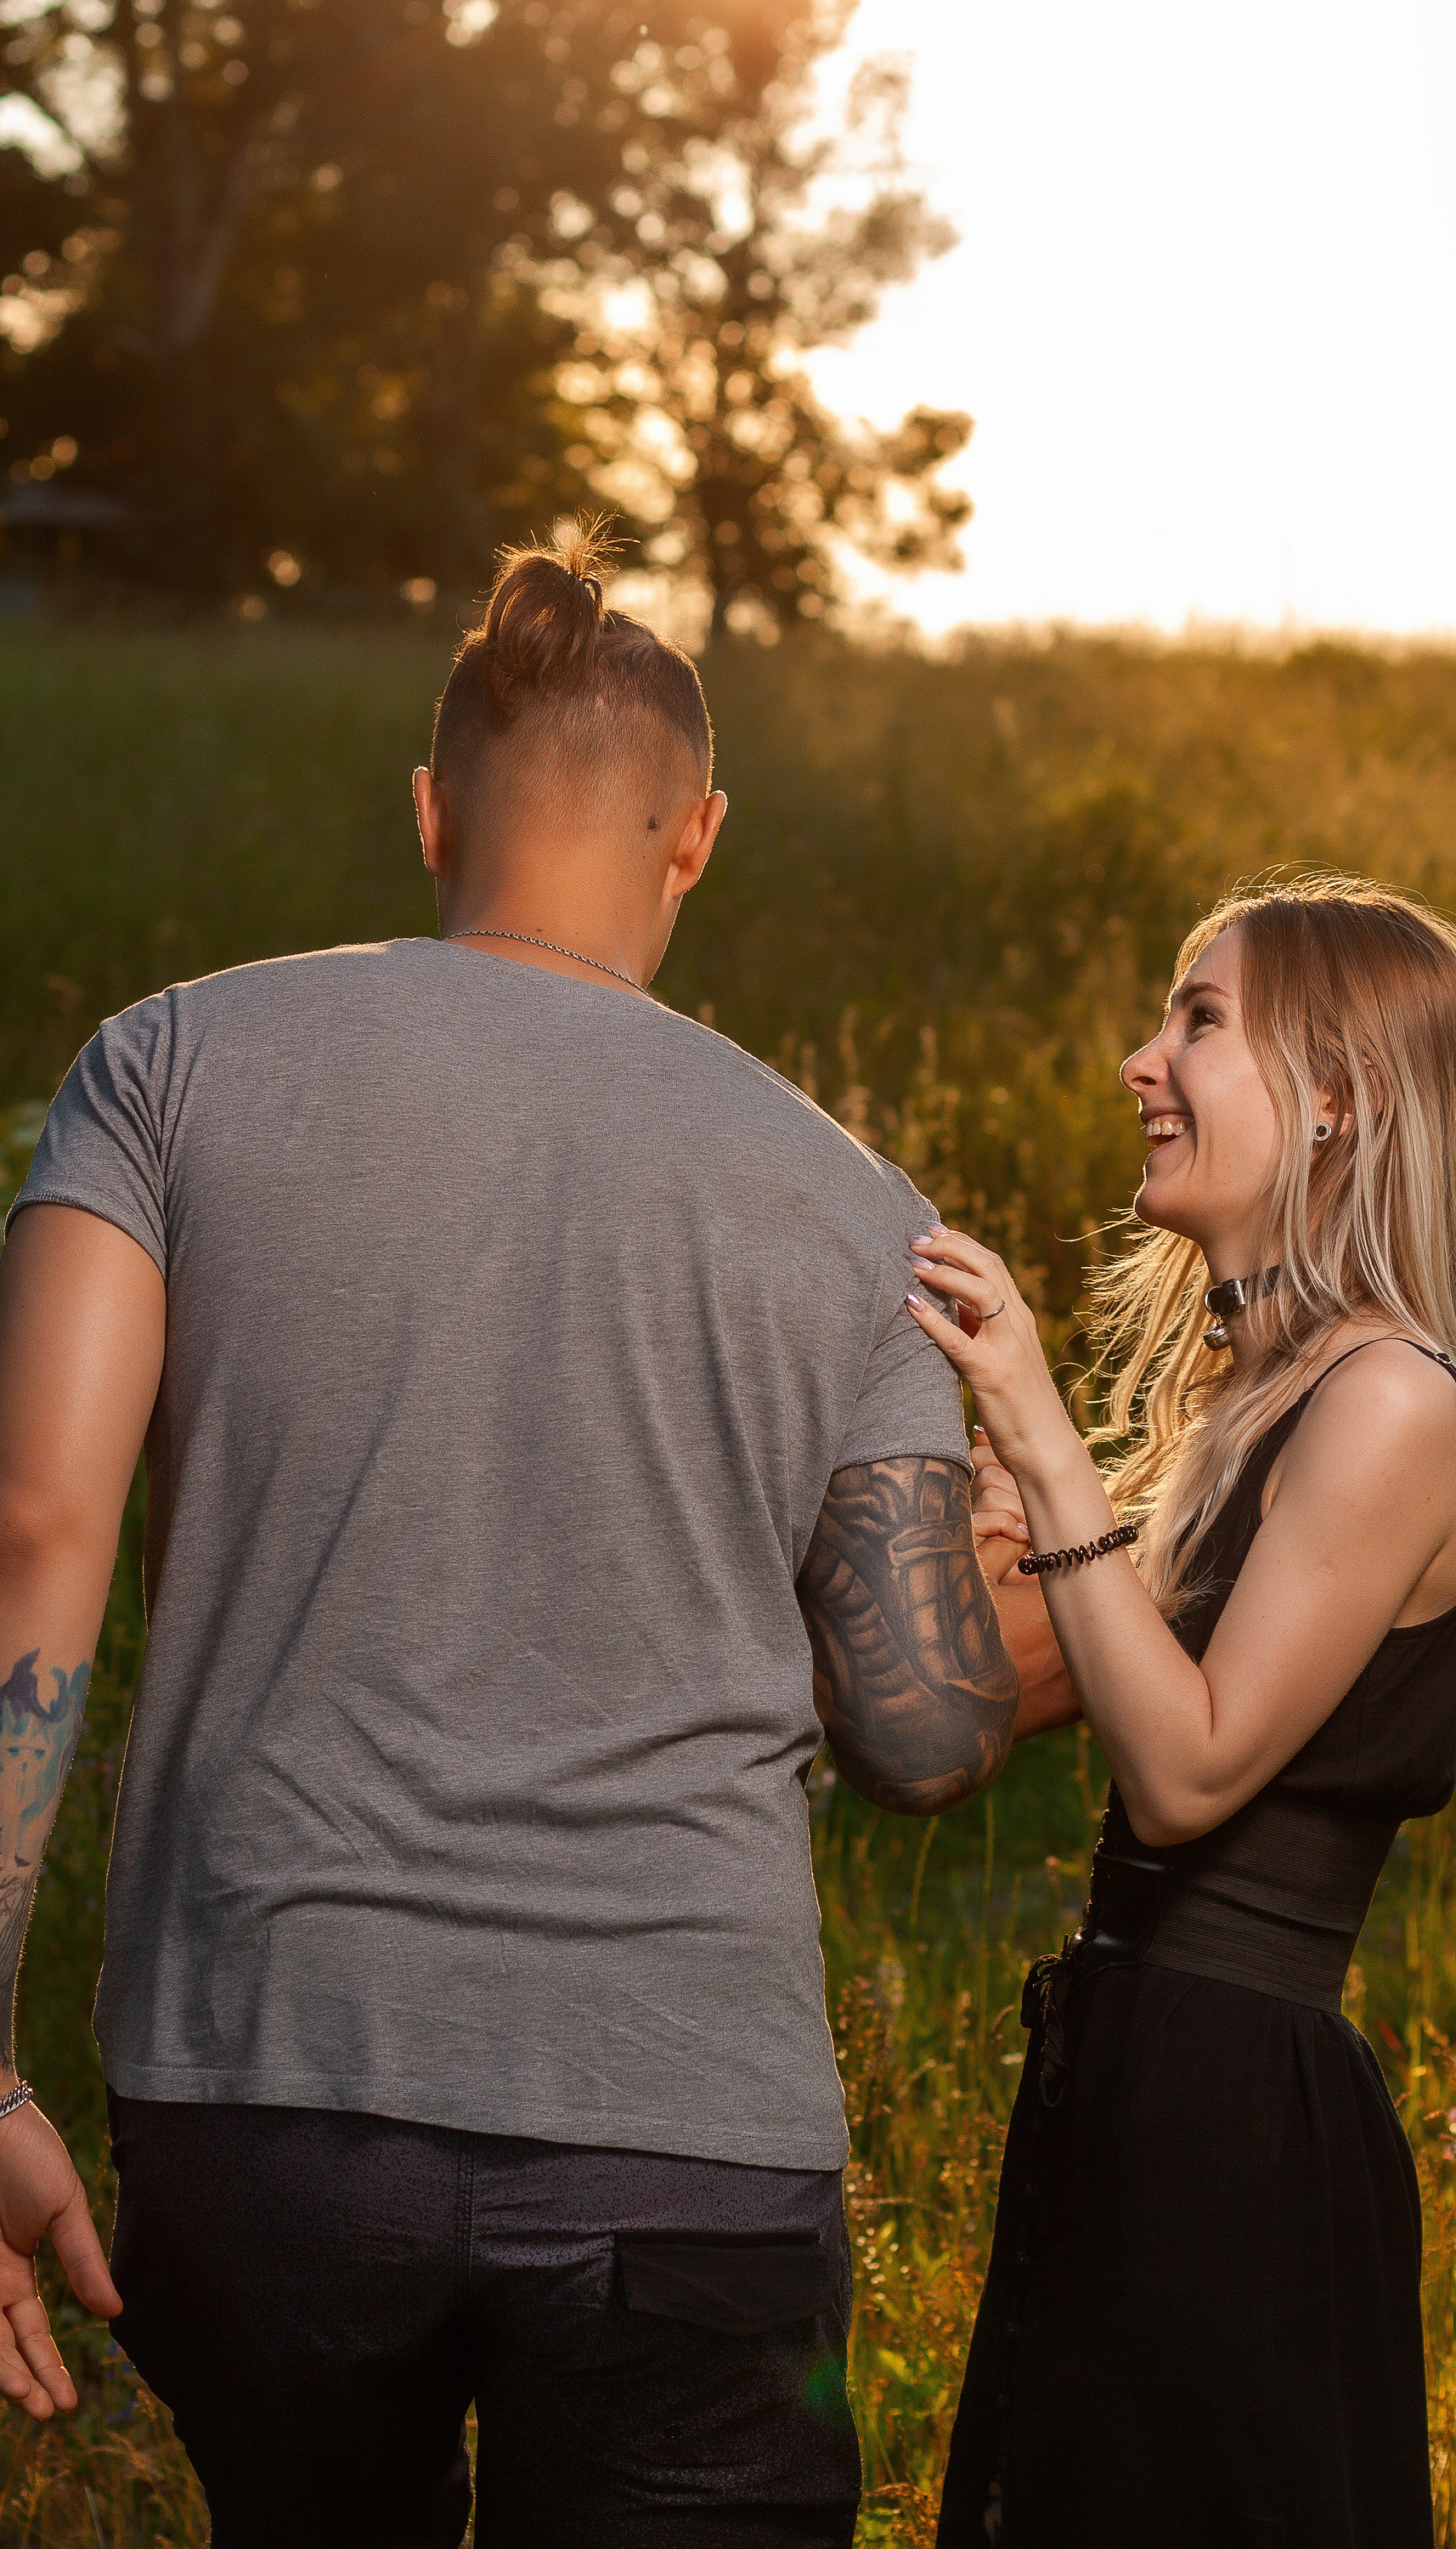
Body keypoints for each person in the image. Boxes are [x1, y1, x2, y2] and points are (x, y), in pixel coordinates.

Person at [0, 529, 1018, 2546]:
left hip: (268, 2114)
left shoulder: (166, 1067)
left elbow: (37, 1526)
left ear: (430, 810)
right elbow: (923, 1732)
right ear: (697, 836)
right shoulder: (854, 1208)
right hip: (684, 2146)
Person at [906, 878, 1456, 2547]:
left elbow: (1184, 1772)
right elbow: (965, 1716)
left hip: (1231, 2129)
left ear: (1338, 1097)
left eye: (1198, 1021)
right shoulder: (1248, 1410)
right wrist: (991, 1538)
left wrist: (1045, 1441)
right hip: (1125, 2079)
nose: (1139, 1062)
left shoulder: (1389, 1399)